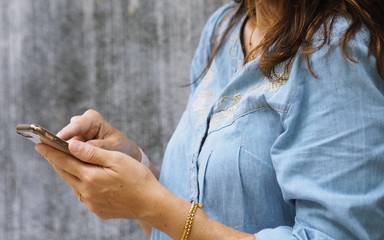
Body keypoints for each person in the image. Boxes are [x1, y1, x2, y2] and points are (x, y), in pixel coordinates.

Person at [35, 0, 384, 239]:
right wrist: (134, 170)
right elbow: (198, 214)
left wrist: (152, 205)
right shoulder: (223, 29)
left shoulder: (337, 51)